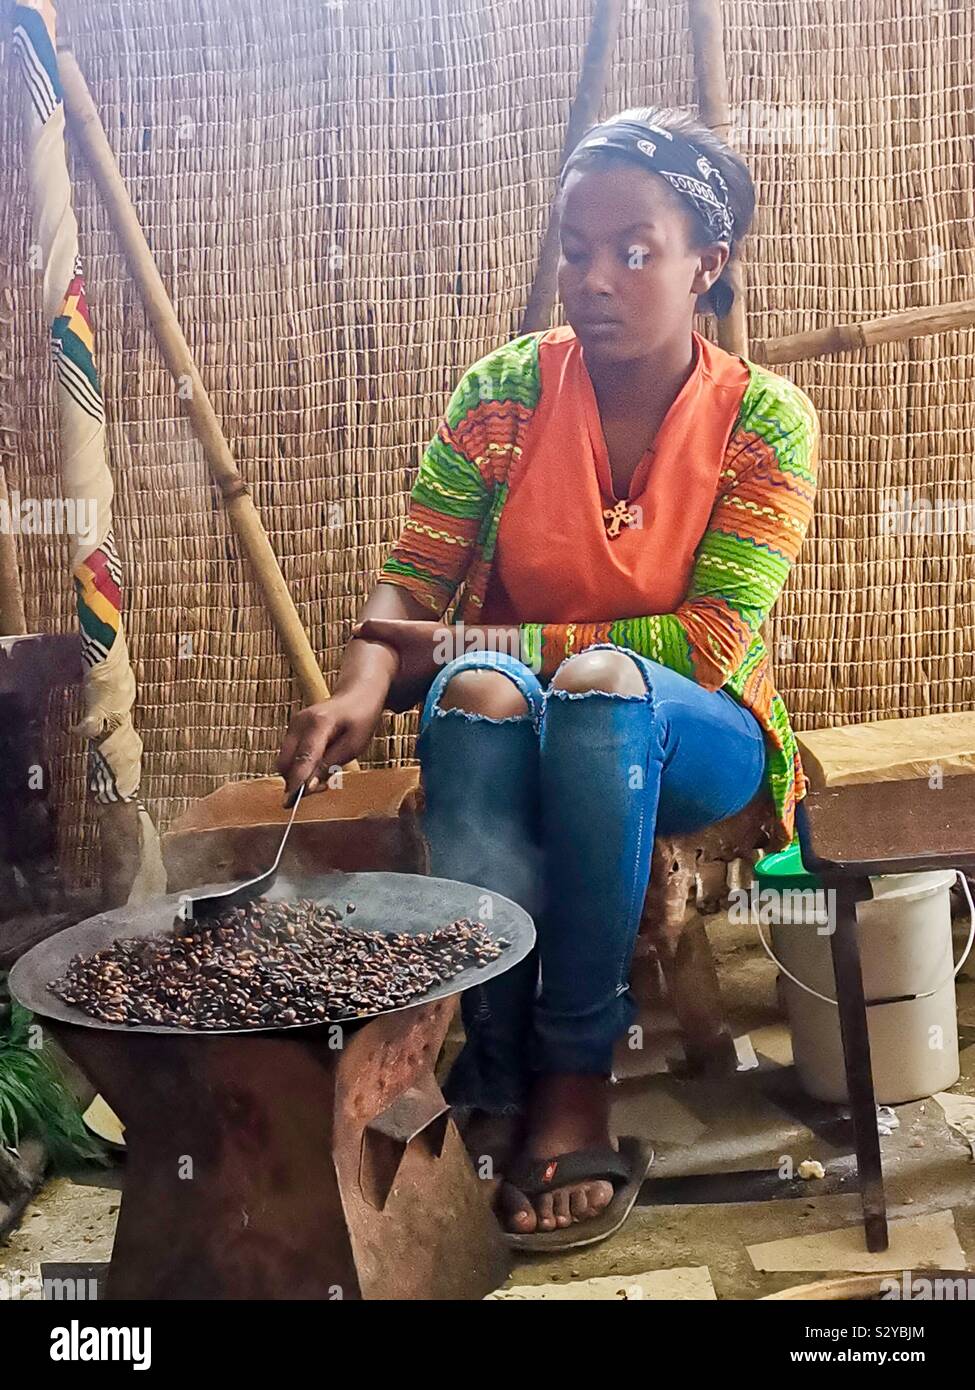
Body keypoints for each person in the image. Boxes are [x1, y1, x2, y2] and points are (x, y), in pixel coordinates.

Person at [278, 106, 820, 1244]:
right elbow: (411, 584)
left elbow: (708, 641)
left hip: (691, 736)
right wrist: (364, 690)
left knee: (602, 682)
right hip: (518, 718)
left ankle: (577, 1071)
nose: (595, 277)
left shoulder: (764, 419)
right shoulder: (505, 395)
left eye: (636, 250)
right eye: (574, 247)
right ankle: (497, 1070)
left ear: (705, 266)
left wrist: (484, 646)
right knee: (475, 700)